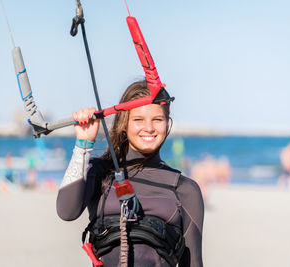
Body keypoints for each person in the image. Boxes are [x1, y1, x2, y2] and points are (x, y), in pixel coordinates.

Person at [56, 80, 204, 267]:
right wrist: (83, 145)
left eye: (157, 119)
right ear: (124, 124)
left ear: (167, 123)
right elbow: (66, 211)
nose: (149, 128)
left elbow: (193, 263)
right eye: (138, 120)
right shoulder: (101, 172)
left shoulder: (183, 188)